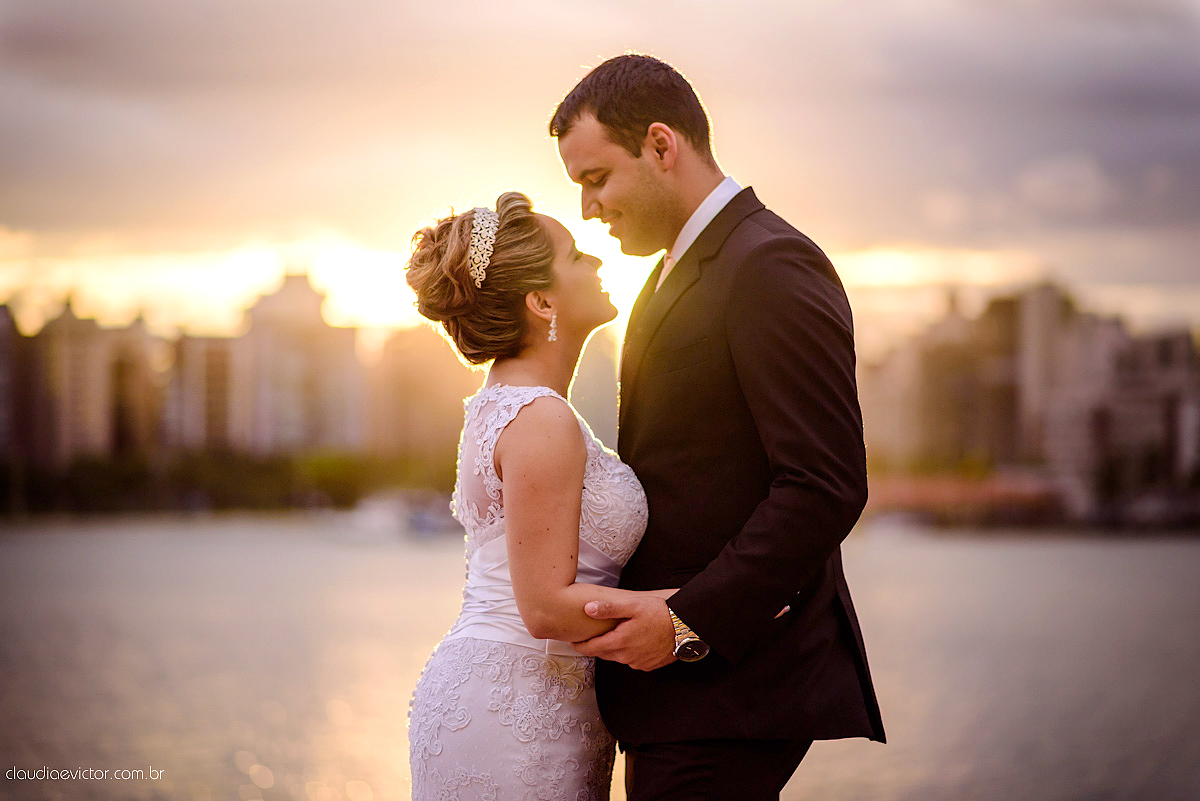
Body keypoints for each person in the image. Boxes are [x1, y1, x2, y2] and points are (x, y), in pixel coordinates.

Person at [551, 54, 886, 800]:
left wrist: (683, 622)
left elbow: (825, 484)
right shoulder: (672, 273)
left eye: (595, 178)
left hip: (733, 690)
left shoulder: (770, 264)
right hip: (679, 699)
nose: (587, 209)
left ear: (661, 146)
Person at [405, 191, 664, 800]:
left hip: (525, 695)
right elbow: (545, 609)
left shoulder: (502, 404)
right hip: (514, 709)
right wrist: (699, 606)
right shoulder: (540, 419)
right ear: (541, 300)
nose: (596, 260)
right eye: (575, 255)